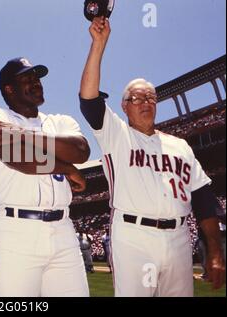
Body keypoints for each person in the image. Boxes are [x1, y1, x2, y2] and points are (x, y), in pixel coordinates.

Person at [79, 16, 225, 296]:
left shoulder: (180, 146)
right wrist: (99, 45)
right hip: (135, 238)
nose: (145, 102)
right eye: (137, 98)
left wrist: (215, 252)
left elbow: (204, 199)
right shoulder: (116, 135)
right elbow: (88, 100)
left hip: (180, 238)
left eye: (150, 98)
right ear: (124, 106)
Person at [0, 57, 91, 297]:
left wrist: (25, 135)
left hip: (63, 231)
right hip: (16, 231)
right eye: (27, 79)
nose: (36, 82)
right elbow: (16, 156)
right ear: (9, 88)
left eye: (37, 78)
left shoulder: (60, 121)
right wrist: (67, 169)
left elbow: (81, 151)